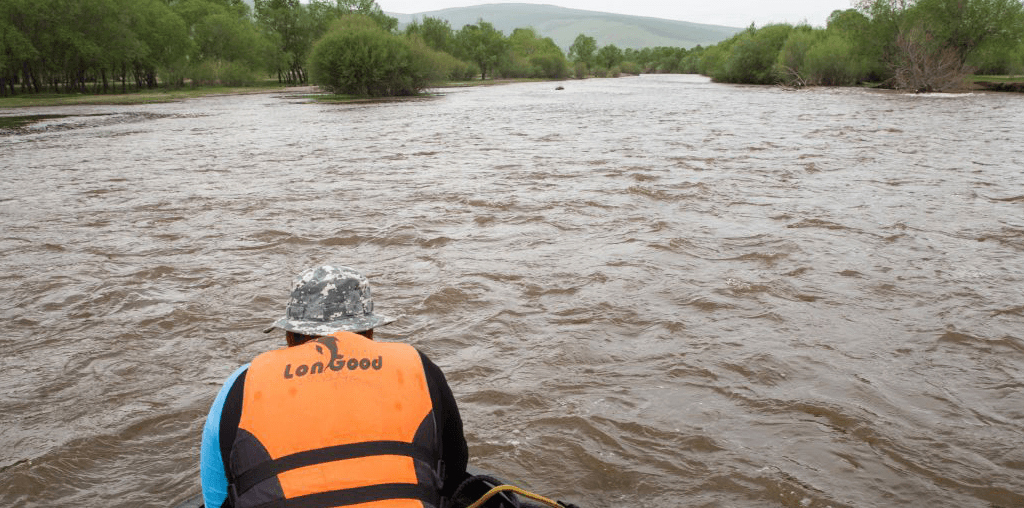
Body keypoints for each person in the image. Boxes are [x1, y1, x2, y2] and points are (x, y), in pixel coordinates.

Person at [200, 265, 468, 508]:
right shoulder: (418, 367)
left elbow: (216, 498)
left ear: (290, 335)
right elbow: (455, 472)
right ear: (370, 332)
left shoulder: (241, 384)